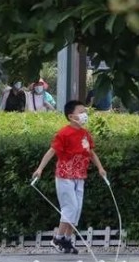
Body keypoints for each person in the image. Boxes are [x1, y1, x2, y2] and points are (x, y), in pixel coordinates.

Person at [31, 100, 107, 254]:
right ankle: (57, 238)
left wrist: (100, 168)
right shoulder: (63, 133)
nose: (84, 114)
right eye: (81, 111)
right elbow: (52, 151)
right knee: (70, 206)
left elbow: (91, 153)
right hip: (65, 175)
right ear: (72, 116)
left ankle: (66, 239)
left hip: (80, 176)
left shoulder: (85, 134)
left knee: (76, 209)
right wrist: (40, 169)